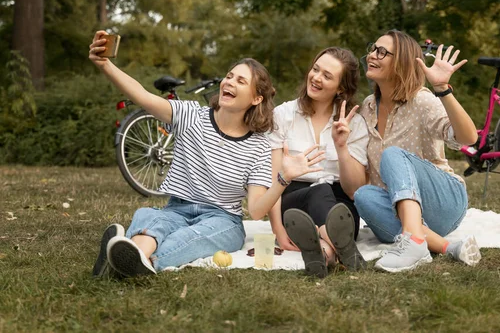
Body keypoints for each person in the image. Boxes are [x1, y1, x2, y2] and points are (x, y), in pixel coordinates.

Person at [88, 30, 325, 278]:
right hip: (177, 208)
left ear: (256, 98)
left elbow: (256, 211)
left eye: (240, 81)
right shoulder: (190, 116)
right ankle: (134, 257)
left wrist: (283, 178)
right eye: (229, 76)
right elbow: (142, 96)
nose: (229, 82)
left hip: (223, 220)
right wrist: (106, 65)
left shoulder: (259, 146)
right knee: (153, 221)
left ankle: (132, 260)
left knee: (190, 237)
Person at [353, 29, 482, 273]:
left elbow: (468, 138)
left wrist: (442, 88)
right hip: (399, 208)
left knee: (393, 153)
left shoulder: (421, 101)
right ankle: (445, 247)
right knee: (363, 195)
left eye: (382, 52)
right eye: (373, 48)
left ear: (401, 62)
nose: (373, 55)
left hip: (443, 201)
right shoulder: (367, 108)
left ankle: (412, 240)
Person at [267, 47, 369, 278]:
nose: (316, 77)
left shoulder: (355, 123)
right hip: (295, 197)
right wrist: (278, 229)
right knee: (319, 191)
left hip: (339, 199)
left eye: (327, 76)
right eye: (315, 69)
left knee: (339, 213)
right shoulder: (283, 115)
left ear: (341, 87)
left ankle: (322, 255)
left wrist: (341, 146)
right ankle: (346, 250)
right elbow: (271, 178)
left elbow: (354, 191)